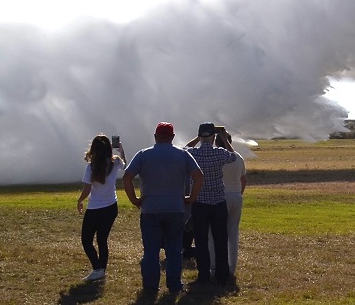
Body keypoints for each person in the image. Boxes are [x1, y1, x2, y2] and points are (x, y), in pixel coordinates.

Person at [123, 122, 203, 295]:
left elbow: (127, 177)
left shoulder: (143, 154)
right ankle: (174, 285)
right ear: (172, 137)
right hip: (175, 208)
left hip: (150, 209)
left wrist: (134, 199)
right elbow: (198, 176)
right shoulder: (183, 155)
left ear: (155, 137)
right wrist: (191, 198)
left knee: (151, 250)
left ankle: (151, 286)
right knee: (174, 249)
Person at [185, 122, 239, 286]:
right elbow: (233, 156)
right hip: (218, 202)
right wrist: (223, 137)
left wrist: (198, 137)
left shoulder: (193, 154)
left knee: (201, 241)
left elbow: (184, 148)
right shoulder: (220, 153)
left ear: (201, 137)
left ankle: (204, 274)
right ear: (214, 137)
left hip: (200, 202)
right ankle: (222, 275)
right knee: (220, 239)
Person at [76, 134, 126, 282]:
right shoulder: (115, 162)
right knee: (102, 240)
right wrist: (121, 150)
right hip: (111, 207)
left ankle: (98, 268)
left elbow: (86, 190)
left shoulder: (91, 167)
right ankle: (100, 269)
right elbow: (125, 165)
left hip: (95, 208)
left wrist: (79, 201)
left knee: (86, 240)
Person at [211, 127, 247, 278]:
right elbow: (243, 180)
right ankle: (231, 268)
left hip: (219, 197)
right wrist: (238, 194)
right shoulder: (238, 157)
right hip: (235, 196)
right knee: (232, 233)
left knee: (213, 234)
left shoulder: (215, 156)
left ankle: (213, 267)